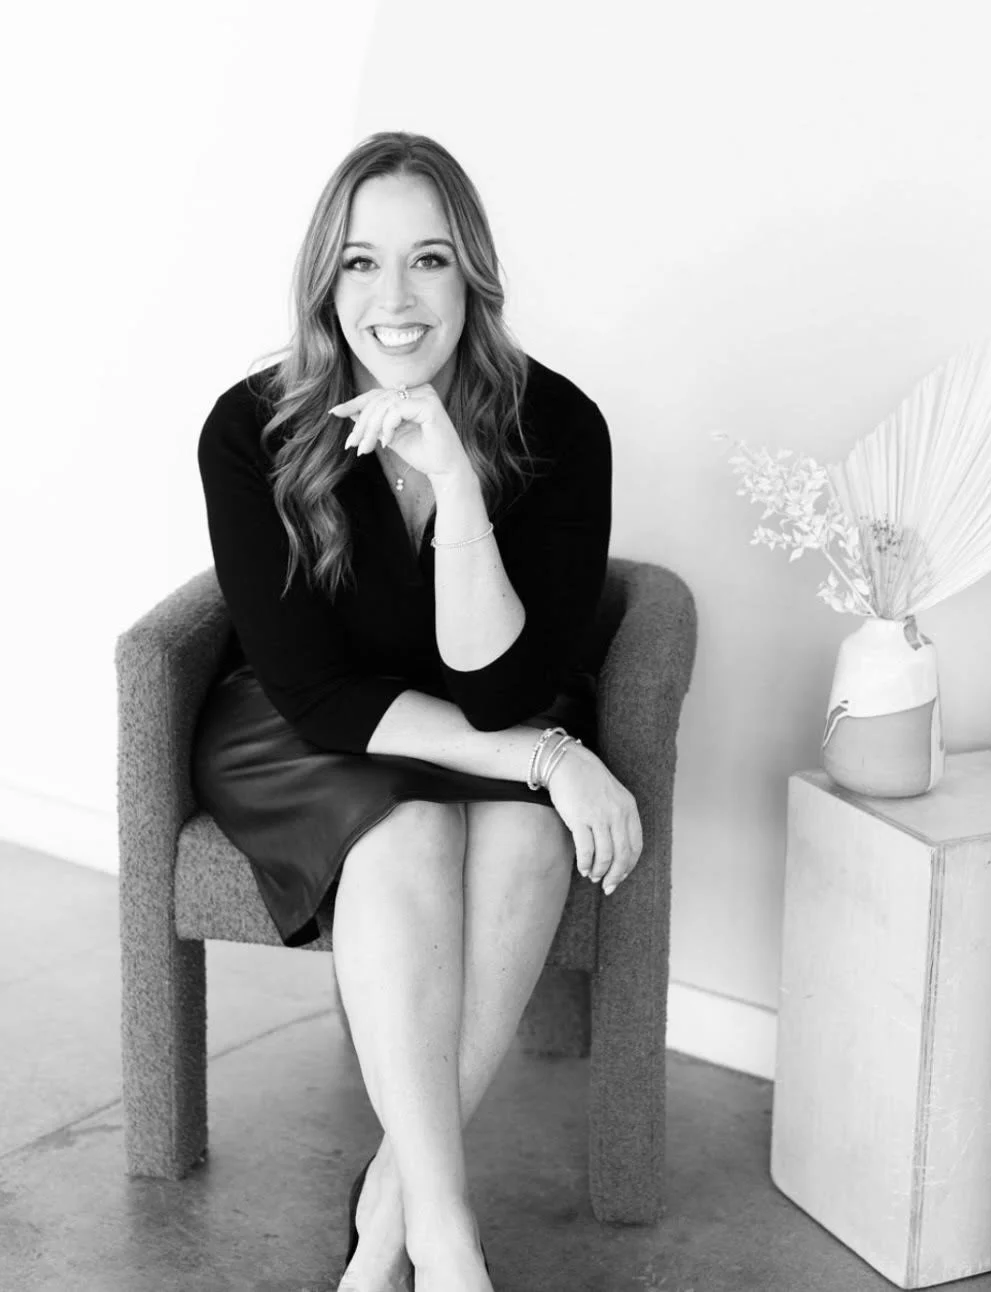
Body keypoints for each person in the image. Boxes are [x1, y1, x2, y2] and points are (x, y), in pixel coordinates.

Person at [192, 130, 643, 1292]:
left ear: (473, 278)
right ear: (323, 281)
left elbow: (501, 682)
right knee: (409, 826)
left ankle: (390, 1219)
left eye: (429, 259)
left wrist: (453, 478)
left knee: (534, 836)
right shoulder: (249, 429)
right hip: (304, 731)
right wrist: (548, 753)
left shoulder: (562, 427)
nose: (395, 298)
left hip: (479, 707)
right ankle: (446, 1244)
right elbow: (318, 692)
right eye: (360, 263)